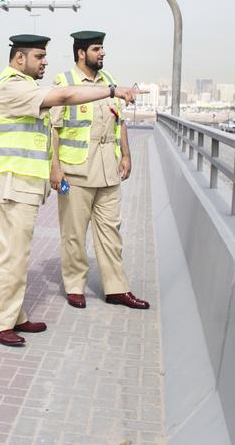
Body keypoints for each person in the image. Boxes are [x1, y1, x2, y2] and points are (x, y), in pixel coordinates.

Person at [0, 34, 138, 347]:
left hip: (20, 186)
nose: (45, 62)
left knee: (18, 256)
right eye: (39, 57)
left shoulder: (22, 85)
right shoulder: (11, 87)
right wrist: (111, 91)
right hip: (11, 186)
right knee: (11, 257)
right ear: (19, 59)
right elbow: (63, 99)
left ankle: (13, 315)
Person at [50, 30, 150, 311]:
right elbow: (53, 129)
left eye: (103, 48)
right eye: (97, 49)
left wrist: (127, 155)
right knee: (73, 233)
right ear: (81, 53)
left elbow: (120, 123)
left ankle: (116, 288)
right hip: (76, 172)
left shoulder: (109, 83)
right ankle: (74, 286)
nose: (102, 53)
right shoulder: (64, 82)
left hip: (108, 171)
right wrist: (55, 169)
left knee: (111, 233)